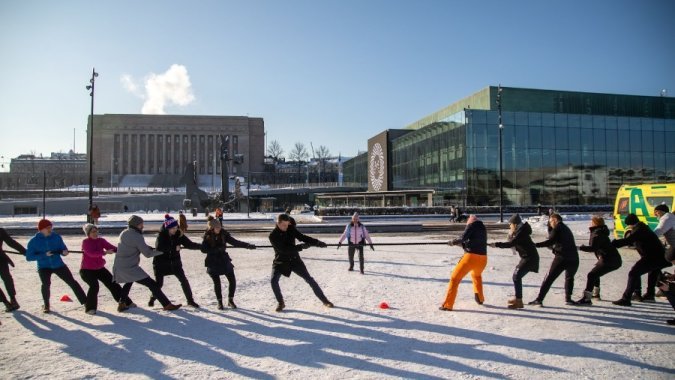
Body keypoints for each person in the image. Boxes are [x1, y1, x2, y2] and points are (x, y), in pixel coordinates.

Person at [113, 215, 181, 312]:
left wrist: (152, 249)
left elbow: (138, 246)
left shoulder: (124, 233)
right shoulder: (137, 236)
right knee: (152, 284)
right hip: (130, 267)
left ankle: (122, 303)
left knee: (129, 281)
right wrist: (162, 251)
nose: (143, 226)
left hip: (120, 265)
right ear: (136, 225)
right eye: (141, 224)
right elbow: (148, 254)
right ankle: (167, 304)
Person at [268, 213, 332, 312]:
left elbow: (302, 237)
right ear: (278, 223)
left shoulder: (291, 228)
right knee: (273, 281)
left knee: (310, 280)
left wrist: (317, 242)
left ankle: (325, 300)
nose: (286, 227)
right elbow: (283, 250)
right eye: (284, 225)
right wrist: (300, 247)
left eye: (287, 224)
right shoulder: (273, 236)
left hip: (294, 260)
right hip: (281, 260)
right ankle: (281, 302)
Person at [25, 219, 87, 313]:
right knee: (45, 285)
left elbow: (63, 249)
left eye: (51, 227)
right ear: (41, 229)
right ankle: (46, 305)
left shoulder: (56, 237)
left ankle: (86, 302)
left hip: (58, 264)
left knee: (72, 282)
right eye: (48, 228)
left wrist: (65, 252)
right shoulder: (33, 241)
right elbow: (29, 257)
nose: (50, 230)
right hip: (43, 266)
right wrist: (44, 255)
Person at [611, 213, 671, 306]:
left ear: (630, 223)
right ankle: (650, 295)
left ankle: (626, 298)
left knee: (633, 273)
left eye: (628, 225)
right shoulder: (642, 227)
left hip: (652, 257)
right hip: (658, 256)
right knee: (653, 273)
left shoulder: (639, 230)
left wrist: (614, 243)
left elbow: (628, 240)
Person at [201, 218, 256, 310]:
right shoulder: (207, 236)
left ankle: (230, 300)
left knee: (232, 280)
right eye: (216, 227)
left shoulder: (224, 234)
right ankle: (219, 302)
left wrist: (247, 245)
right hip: (213, 261)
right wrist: (216, 250)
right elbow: (203, 249)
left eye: (219, 226)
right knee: (217, 283)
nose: (219, 228)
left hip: (223, 259)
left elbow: (235, 242)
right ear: (211, 228)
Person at [151, 215, 202, 308]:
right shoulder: (161, 235)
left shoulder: (178, 234)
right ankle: (152, 298)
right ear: (167, 228)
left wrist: (201, 246)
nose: (175, 229)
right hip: (161, 263)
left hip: (175, 263)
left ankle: (190, 300)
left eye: (176, 227)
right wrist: (174, 248)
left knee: (184, 281)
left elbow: (189, 244)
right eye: (173, 228)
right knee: (159, 284)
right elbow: (160, 248)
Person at [80, 223, 133, 315]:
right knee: (94, 286)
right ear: (88, 233)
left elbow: (112, 248)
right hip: (87, 270)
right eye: (93, 232)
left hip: (100, 268)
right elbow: (91, 254)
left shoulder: (101, 240)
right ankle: (90, 308)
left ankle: (126, 302)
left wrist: (124, 250)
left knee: (113, 283)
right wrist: (104, 253)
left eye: (96, 231)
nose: (95, 233)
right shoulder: (85, 242)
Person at [440, 214, 488, 311]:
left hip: (470, 258)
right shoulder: (482, 228)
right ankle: (480, 298)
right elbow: (470, 242)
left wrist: (453, 242)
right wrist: (458, 243)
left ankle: (448, 305)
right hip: (483, 259)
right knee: (476, 276)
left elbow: (463, 238)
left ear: (470, 221)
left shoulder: (471, 225)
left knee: (454, 278)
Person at [530, 213, 580, 306]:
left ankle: (539, 299)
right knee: (569, 278)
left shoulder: (557, 228)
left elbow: (550, 241)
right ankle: (568, 299)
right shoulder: (566, 228)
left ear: (555, 220)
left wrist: (536, 245)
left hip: (562, 257)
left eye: (550, 222)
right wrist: (550, 230)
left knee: (549, 278)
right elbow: (555, 239)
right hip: (574, 258)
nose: (550, 224)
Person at [491, 214, 539, 309]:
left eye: (510, 224)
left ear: (515, 224)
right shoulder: (520, 231)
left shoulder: (520, 232)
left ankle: (519, 301)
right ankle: (518, 298)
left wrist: (497, 244)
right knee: (517, 276)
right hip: (527, 257)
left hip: (529, 258)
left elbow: (511, 243)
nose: (510, 226)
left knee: (516, 276)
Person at [574, 216, 622, 305]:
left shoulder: (597, 233)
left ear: (595, 223)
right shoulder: (600, 231)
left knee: (591, 275)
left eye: (591, 221)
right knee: (595, 273)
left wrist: (579, 247)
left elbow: (593, 248)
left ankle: (587, 298)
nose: (590, 223)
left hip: (609, 260)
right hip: (610, 259)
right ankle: (595, 294)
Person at [0, 227, 26, 312]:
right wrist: (24, 252)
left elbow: (11, 243)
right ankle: (12, 300)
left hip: (1, 258)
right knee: (7, 278)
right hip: (1, 258)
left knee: (7, 279)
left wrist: (25, 252)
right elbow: (11, 243)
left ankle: (7, 303)